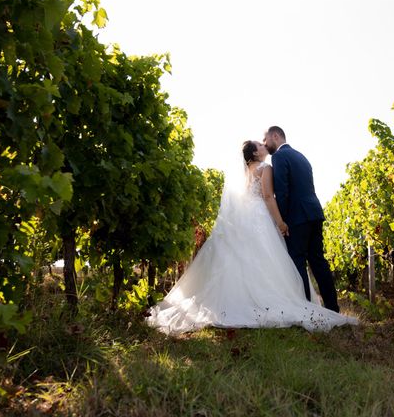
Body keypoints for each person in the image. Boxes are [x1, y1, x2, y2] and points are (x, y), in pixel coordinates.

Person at [146, 140, 357, 335]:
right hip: (260, 217)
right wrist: (281, 222)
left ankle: (240, 301)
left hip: (245, 218)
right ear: (255, 153)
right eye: (260, 145)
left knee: (243, 259)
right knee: (267, 258)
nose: (264, 146)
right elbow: (267, 196)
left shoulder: (245, 172)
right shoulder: (265, 168)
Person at [263, 126, 340, 312]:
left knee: (297, 261)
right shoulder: (301, 157)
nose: (265, 144)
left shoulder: (279, 157)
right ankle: (333, 308)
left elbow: (282, 192)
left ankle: (306, 310)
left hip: (297, 217)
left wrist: (281, 221)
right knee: (318, 262)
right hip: (314, 213)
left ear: (276, 135)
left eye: (266, 139)